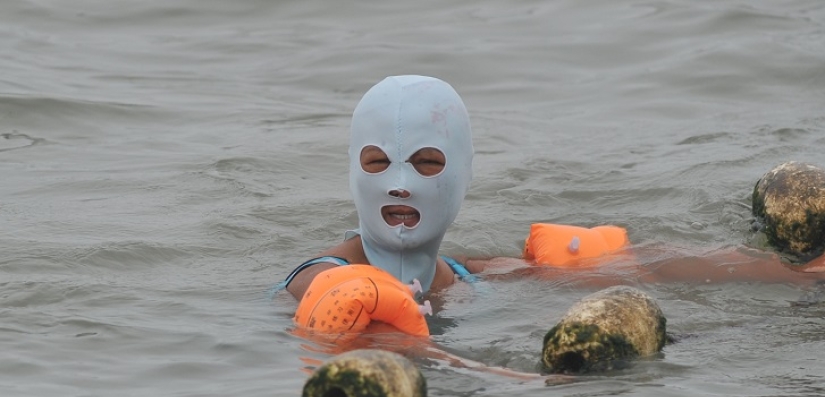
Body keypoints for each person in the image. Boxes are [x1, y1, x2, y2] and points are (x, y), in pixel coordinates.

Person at [280, 74, 825, 304]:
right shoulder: (321, 275)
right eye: (378, 163)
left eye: (426, 163)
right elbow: (331, 292)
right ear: (353, 169)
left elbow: (648, 264)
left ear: (463, 175)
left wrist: (798, 277)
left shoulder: (467, 275)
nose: (399, 185)